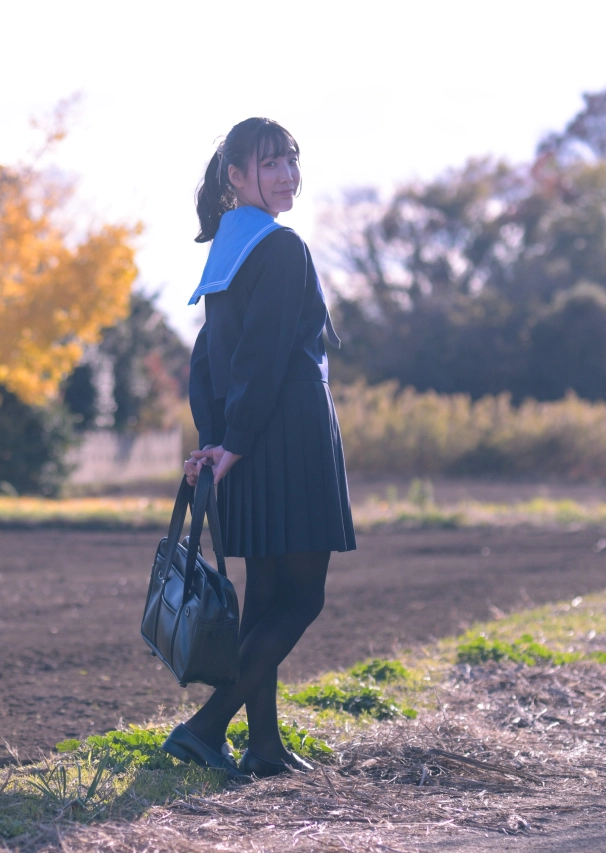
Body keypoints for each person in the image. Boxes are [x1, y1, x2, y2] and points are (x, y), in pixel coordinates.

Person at [161, 118, 356, 781]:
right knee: (301, 598)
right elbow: (266, 355)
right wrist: (233, 442)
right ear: (236, 176)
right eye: (270, 164)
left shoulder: (229, 247)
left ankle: (265, 746)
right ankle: (205, 727)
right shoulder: (279, 245)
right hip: (290, 432)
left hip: (250, 437)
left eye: (291, 161)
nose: (286, 175)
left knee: (268, 594)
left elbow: (209, 361)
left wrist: (217, 439)